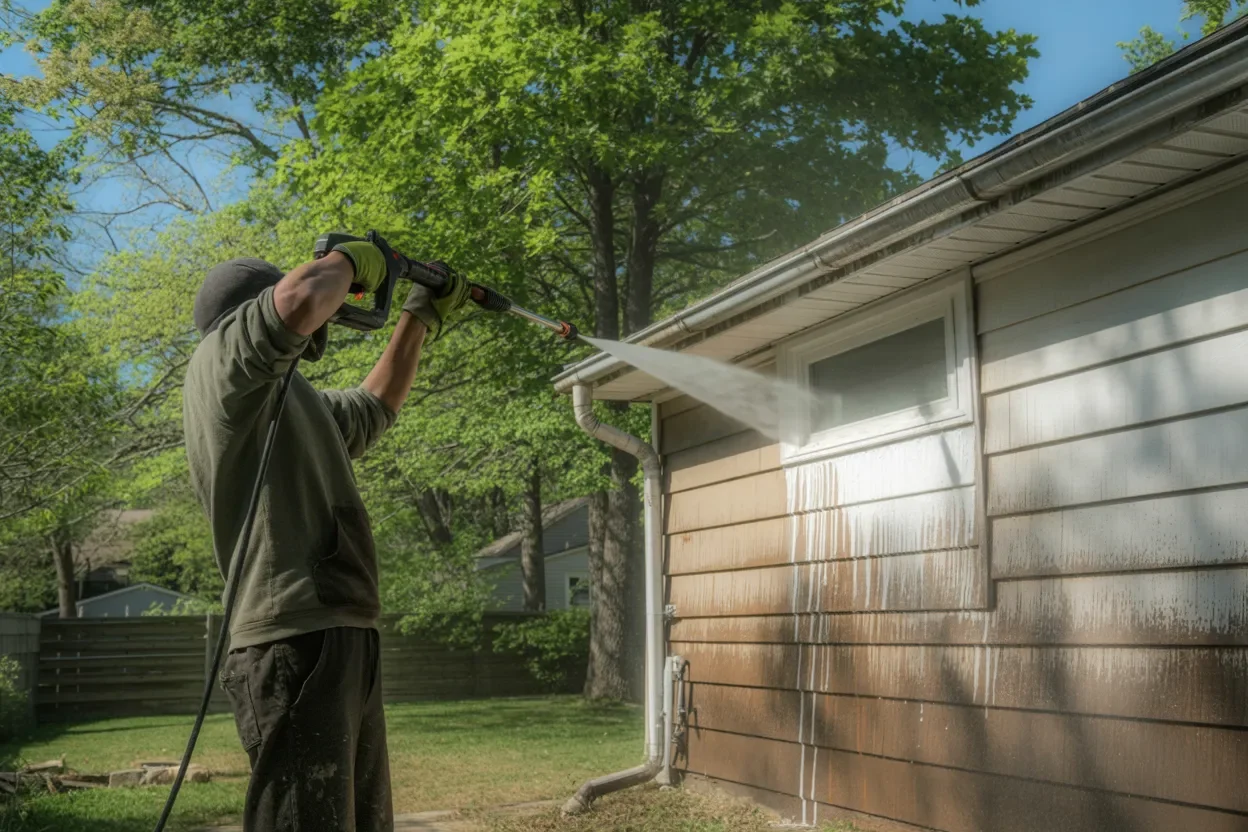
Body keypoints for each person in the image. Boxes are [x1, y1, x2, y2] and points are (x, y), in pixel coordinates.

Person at [182, 235, 468, 831]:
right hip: (290, 637)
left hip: (338, 628)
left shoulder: (290, 396)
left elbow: (374, 406)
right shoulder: (222, 363)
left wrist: (418, 315)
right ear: (242, 318)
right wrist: (354, 259)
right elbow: (299, 298)